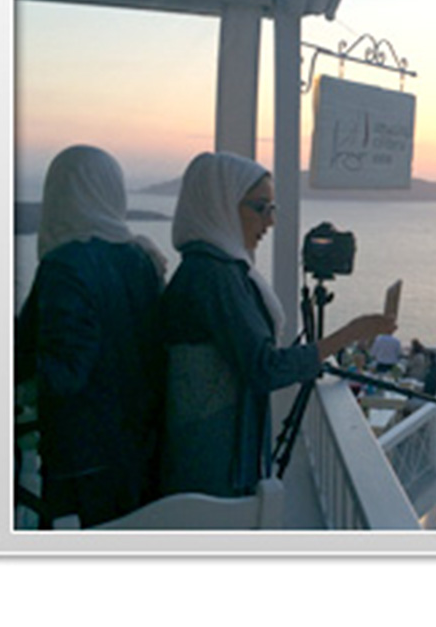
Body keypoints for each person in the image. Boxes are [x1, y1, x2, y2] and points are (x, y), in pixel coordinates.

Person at [159, 151, 395, 498]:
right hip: (212, 460)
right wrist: (350, 333)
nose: (270, 221)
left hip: (211, 450)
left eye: (273, 208)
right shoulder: (215, 275)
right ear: (221, 204)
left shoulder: (211, 268)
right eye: (260, 208)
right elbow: (265, 368)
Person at [14, 145, 166, 528]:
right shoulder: (141, 259)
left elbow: (64, 372)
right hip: (139, 452)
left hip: (81, 465)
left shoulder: (64, 266)